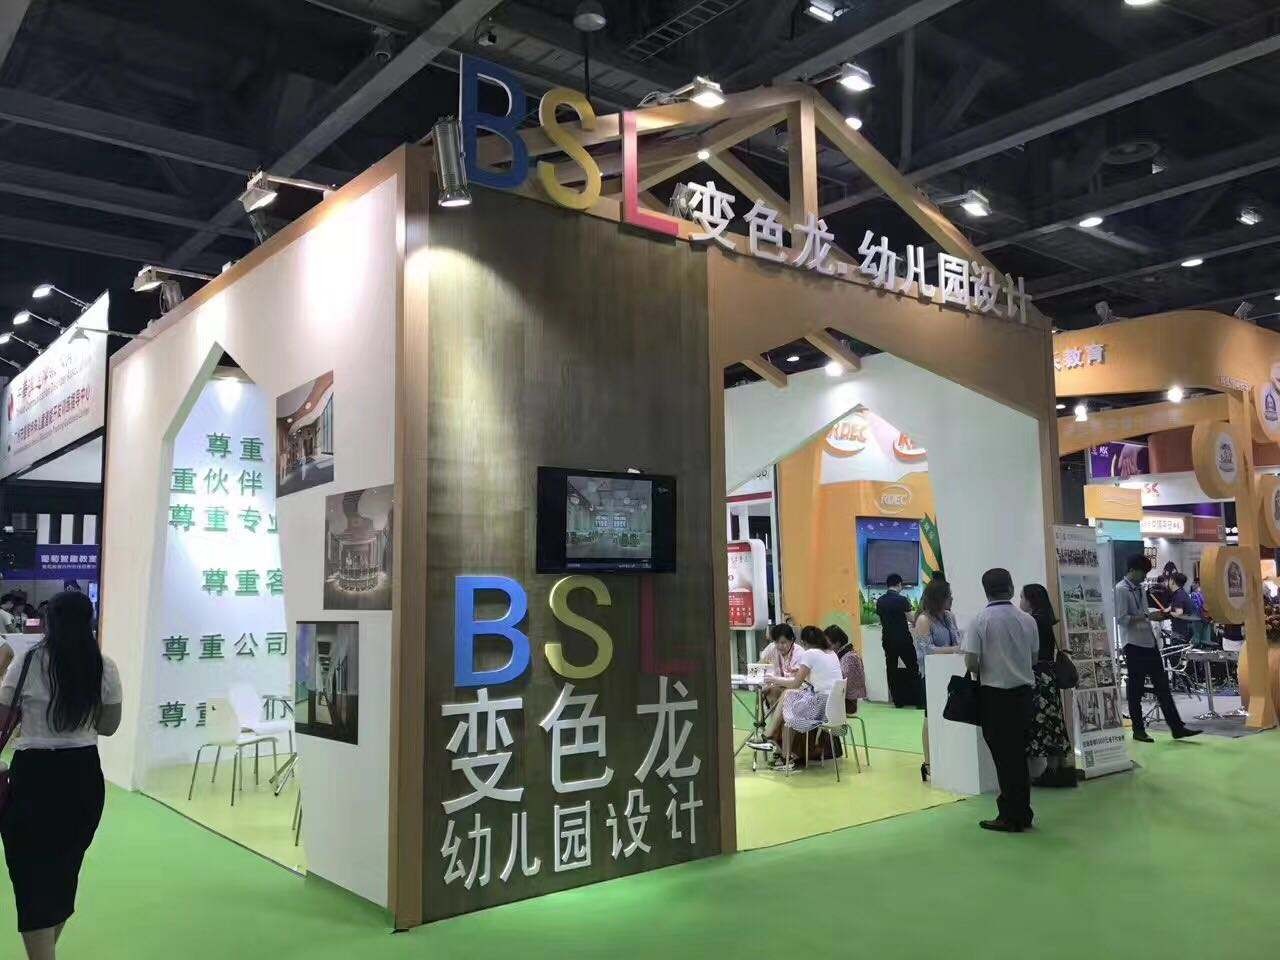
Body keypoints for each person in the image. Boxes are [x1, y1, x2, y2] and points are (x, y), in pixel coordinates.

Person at [0, 590, 122, 960]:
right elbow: (109, 726)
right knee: (64, 871)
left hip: (33, 777)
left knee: (30, 877)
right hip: (83, 777)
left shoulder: (27, 662)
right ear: (90, 622)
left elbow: (3, 717)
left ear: (49, 622)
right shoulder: (104, 666)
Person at [962, 568, 1039, 833]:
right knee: (1018, 756)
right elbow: (1034, 657)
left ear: (986, 591)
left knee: (1004, 759)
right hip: (1024, 695)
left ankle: (1010, 815)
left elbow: (971, 662)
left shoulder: (979, 621)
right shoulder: (1028, 620)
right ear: (1011, 587)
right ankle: (1023, 812)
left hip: (996, 698)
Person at [1116, 555, 1201, 743]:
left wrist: (1157, 615)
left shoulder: (1140, 588)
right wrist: (1148, 617)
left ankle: (1177, 727)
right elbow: (1122, 619)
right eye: (1143, 573)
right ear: (1132, 570)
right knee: (1136, 690)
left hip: (1149, 642)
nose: (1145, 577)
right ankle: (1138, 730)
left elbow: (1144, 614)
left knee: (1163, 687)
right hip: (1133, 645)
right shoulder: (1121, 589)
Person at [764, 625, 843, 770]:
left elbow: (795, 683)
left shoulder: (809, 654)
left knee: (788, 712)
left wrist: (774, 679)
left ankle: (776, 743)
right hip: (836, 709)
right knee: (789, 698)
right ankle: (778, 745)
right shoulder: (832, 653)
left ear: (804, 642)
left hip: (821, 708)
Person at [1019, 583, 1075, 788]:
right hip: (1049, 676)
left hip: (1038, 677)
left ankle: (1051, 772)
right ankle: (1059, 768)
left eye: (1022, 597)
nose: (1020, 602)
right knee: (1054, 722)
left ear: (1030, 600)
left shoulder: (1032, 621)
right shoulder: (1046, 619)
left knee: (1042, 723)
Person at [912, 578, 962, 782]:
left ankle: (950, 757)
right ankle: (928, 763)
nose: (952, 599)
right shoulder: (923, 620)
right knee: (930, 717)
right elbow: (926, 651)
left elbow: (958, 640)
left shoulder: (949, 617)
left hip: (951, 674)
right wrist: (954, 649)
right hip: (930, 677)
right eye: (948, 596)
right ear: (938, 598)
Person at [876, 574, 920, 708]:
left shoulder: (880, 601)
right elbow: (912, 619)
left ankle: (897, 701)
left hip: (888, 640)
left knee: (891, 669)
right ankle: (919, 699)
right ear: (899, 584)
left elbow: (881, 620)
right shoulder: (902, 600)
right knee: (913, 667)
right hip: (903, 640)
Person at [759, 623, 802, 739]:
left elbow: (796, 682)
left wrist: (774, 681)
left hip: (795, 690)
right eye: (776, 642)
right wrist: (762, 678)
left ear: (792, 640)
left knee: (781, 693)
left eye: (783, 643)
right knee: (768, 692)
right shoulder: (772, 648)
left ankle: (773, 733)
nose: (779, 646)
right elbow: (760, 664)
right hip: (777, 686)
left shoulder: (799, 653)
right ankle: (773, 733)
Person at [824, 624, 867, 715]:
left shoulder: (849, 657)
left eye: (829, 645)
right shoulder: (846, 655)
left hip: (849, 702)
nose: (827, 648)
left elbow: (842, 683)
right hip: (844, 699)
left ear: (838, 643)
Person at [1166, 572, 1195, 645]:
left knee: (1176, 650)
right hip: (1186, 628)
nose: (1168, 582)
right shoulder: (1181, 592)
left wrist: (1169, 613)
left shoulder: (1178, 595)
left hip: (1180, 631)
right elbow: (1178, 605)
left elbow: (1179, 613)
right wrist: (1169, 608)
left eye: (1169, 580)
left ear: (1172, 581)